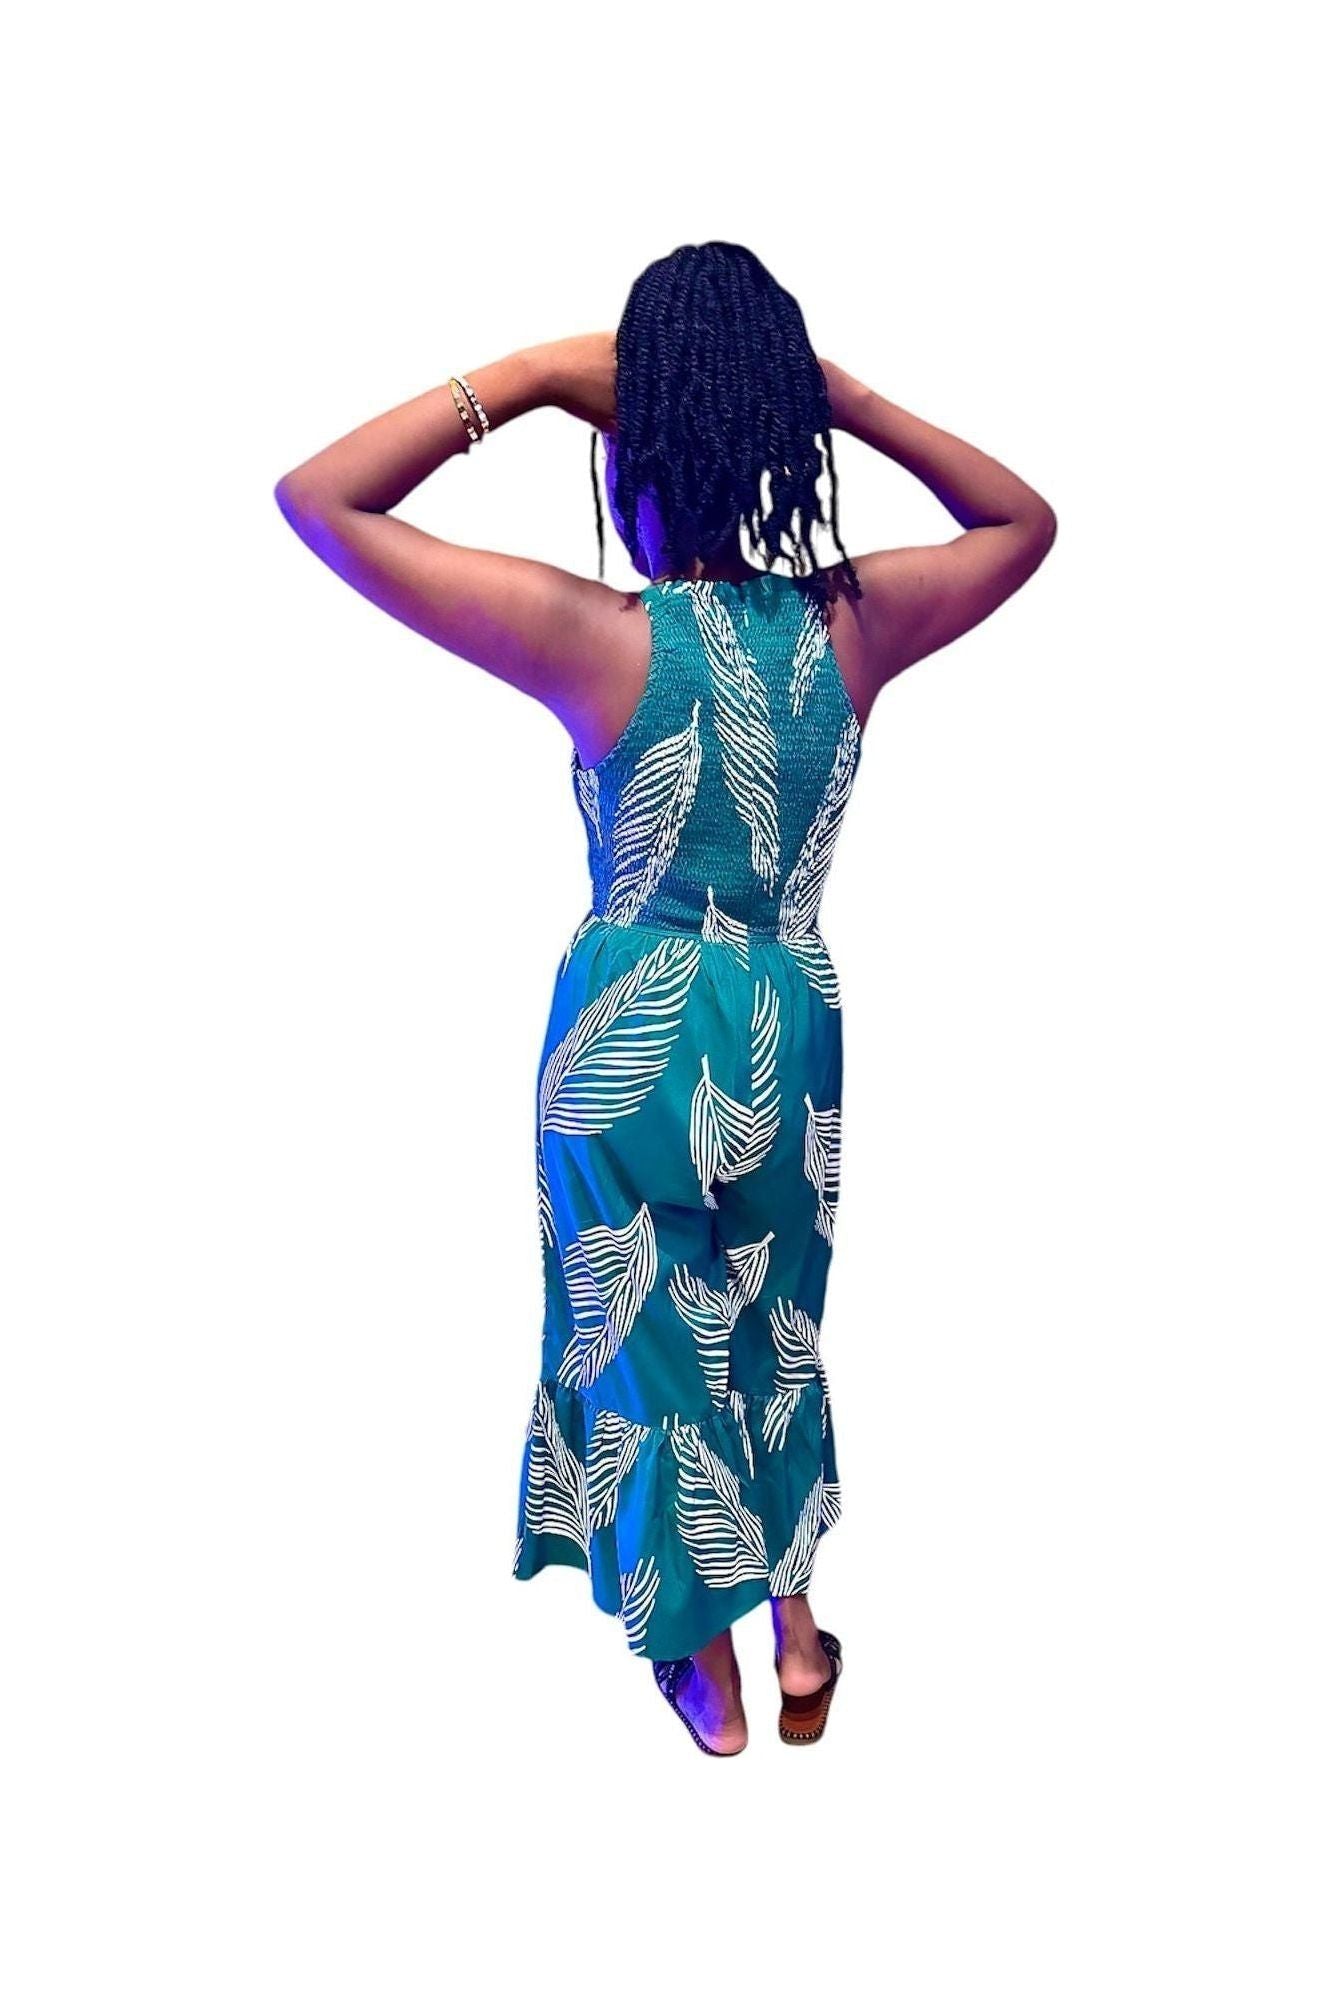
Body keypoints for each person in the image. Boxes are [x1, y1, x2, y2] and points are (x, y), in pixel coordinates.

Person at [274, 240, 1057, 1756]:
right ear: (782, 439)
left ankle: (705, 1678)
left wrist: (528, 377)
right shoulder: (857, 625)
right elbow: (1025, 522)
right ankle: (800, 1641)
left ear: (630, 441)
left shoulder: (596, 637)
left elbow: (323, 501)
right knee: (775, 1331)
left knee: (651, 1347)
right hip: (783, 1025)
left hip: (626, 1029)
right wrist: (848, 399)